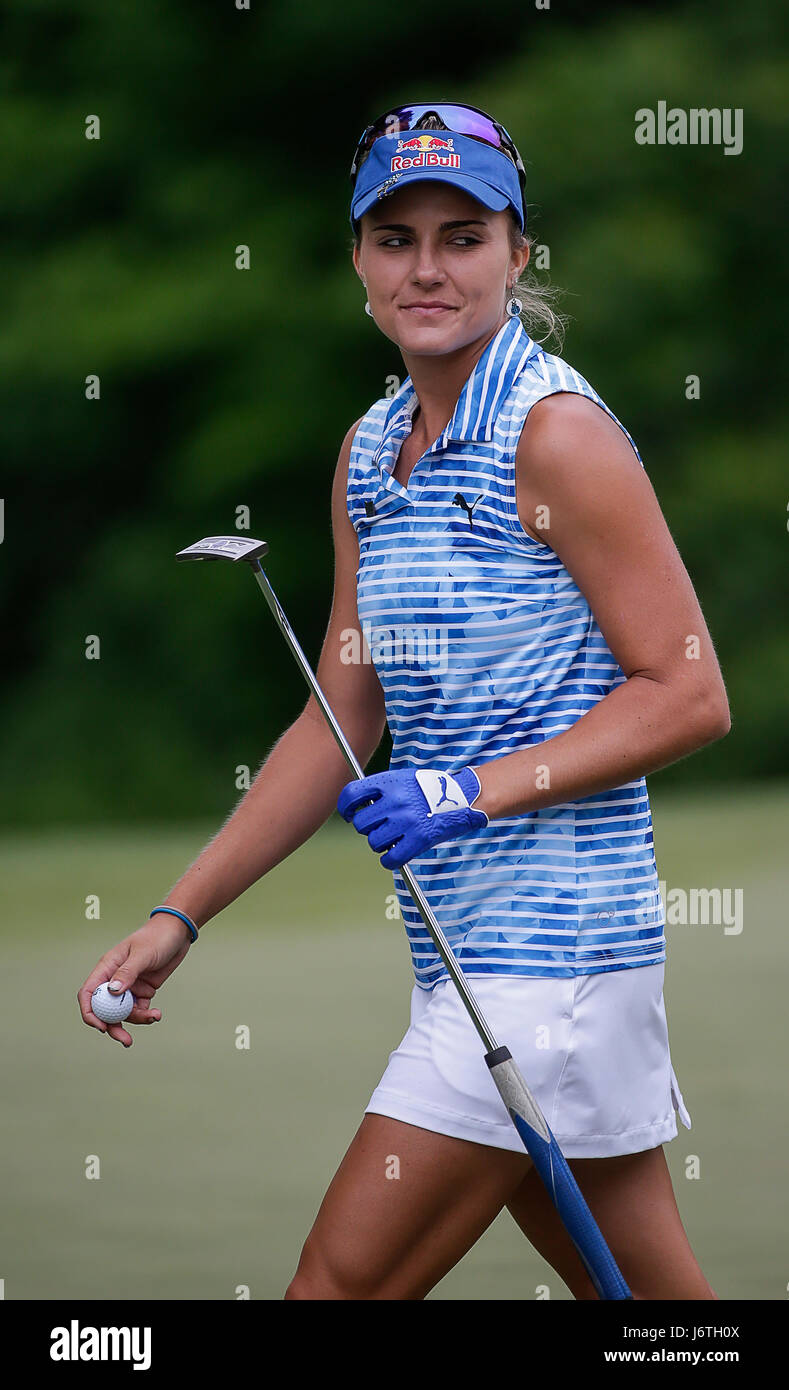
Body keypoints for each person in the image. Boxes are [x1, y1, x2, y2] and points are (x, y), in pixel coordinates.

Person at [79, 102, 730, 1301]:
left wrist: (465, 792)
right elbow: (341, 718)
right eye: (395, 237)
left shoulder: (558, 436)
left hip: (557, 962)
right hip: (470, 961)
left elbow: (689, 693)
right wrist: (183, 914)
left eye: (463, 234)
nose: (427, 267)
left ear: (517, 252)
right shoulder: (374, 452)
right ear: (358, 260)